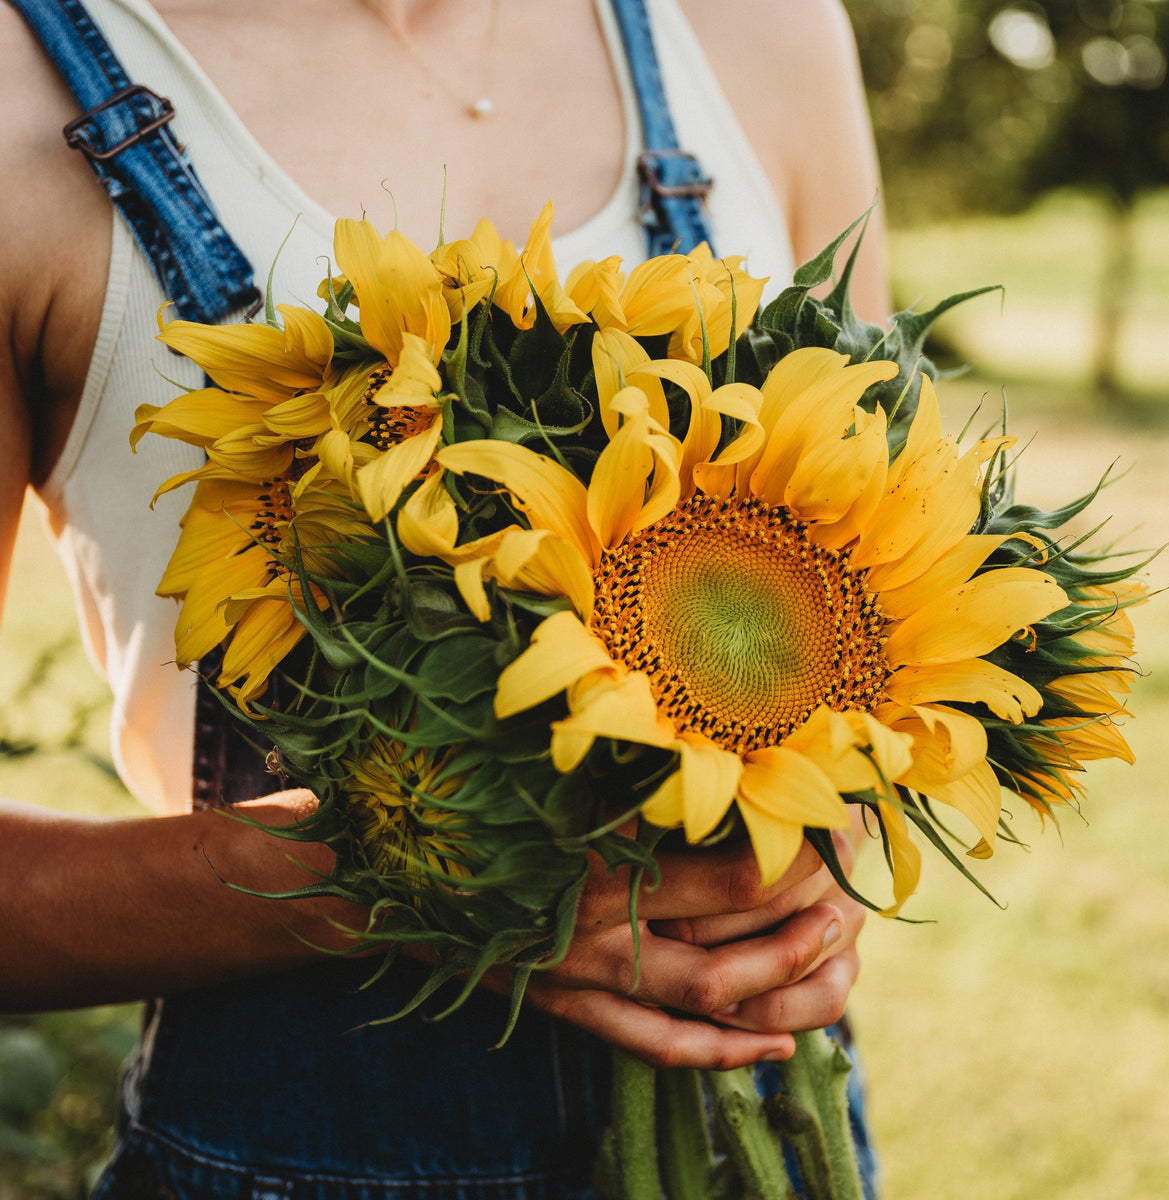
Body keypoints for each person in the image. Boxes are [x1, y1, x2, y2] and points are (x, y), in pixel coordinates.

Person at [0, 1, 890, 1196]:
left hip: (769, 1123)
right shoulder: (23, 88)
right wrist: (403, 870)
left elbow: (893, 567)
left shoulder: (756, 33)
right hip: (294, 1151)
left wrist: (820, 860)